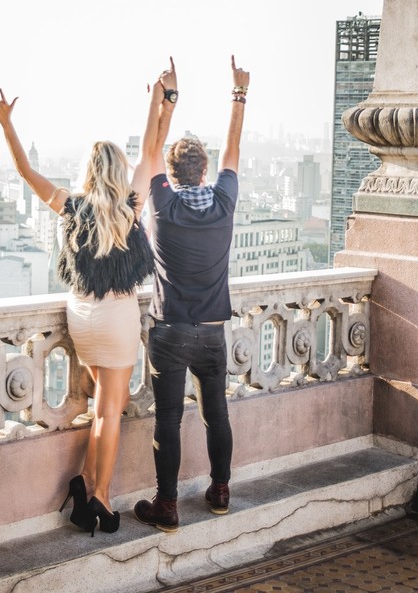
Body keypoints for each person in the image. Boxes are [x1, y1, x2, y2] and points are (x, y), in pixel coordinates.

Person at [0, 77, 169, 536]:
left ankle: (85, 481)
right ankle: (100, 497)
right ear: (117, 169)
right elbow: (152, 149)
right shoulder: (128, 205)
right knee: (111, 409)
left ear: (89, 170)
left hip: (80, 316)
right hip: (116, 315)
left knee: (107, 402)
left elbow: (26, 174)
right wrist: (157, 101)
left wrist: (7, 124)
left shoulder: (72, 205)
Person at [134, 55, 250, 532]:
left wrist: (165, 100)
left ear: (174, 174)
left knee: (168, 419)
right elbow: (233, 151)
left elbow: (150, 151)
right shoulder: (223, 203)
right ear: (204, 172)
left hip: (170, 329)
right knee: (215, 413)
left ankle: (167, 505)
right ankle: (220, 491)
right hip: (212, 332)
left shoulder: (162, 207)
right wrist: (239, 95)